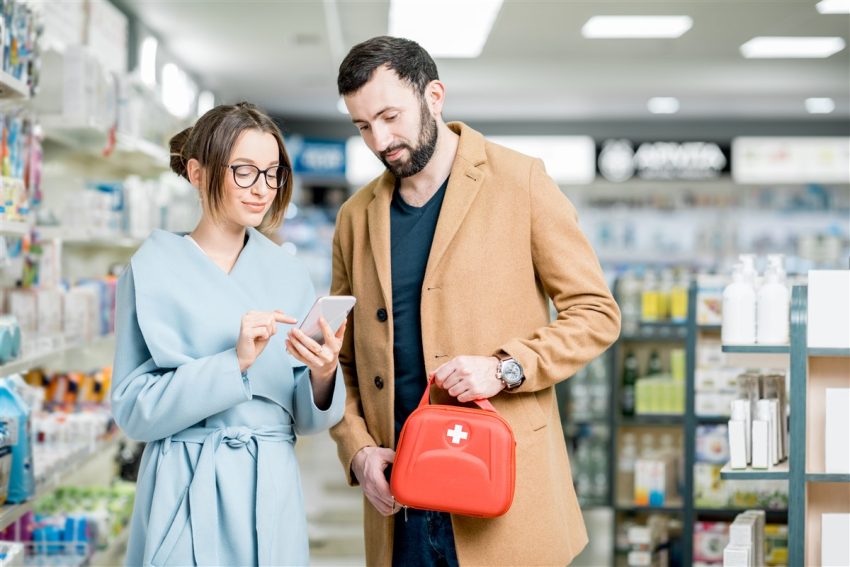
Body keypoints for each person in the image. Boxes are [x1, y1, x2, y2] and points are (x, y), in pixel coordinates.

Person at [329, 36, 621, 566]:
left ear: (434, 96)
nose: (381, 139)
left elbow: (596, 313)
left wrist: (507, 368)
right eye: (363, 126)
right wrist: (358, 450)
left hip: (502, 494)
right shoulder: (356, 216)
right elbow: (342, 357)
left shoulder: (520, 181)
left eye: (391, 116)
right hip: (402, 499)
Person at [111, 102, 346, 566]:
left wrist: (323, 376)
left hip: (270, 482)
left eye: (272, 173)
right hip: (185, 481)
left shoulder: (289, 274)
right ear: (198, 173)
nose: (262, 189)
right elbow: (133, 411)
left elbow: (307, 419)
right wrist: (231, 364)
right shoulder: (151, 269)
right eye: (244, 171)